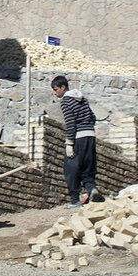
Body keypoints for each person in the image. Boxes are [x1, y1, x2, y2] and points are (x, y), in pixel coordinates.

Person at [52, 75, 99, 206]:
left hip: (78, 138)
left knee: (71, 169)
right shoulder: (82, 98)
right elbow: (93, 117)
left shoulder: (66, 102)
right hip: (90, 136)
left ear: (63, 87)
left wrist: (69, 143)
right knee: (88, 168)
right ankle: (92, 189)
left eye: (56, 89)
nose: (55, 93)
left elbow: (71, 124)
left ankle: (74, 200)